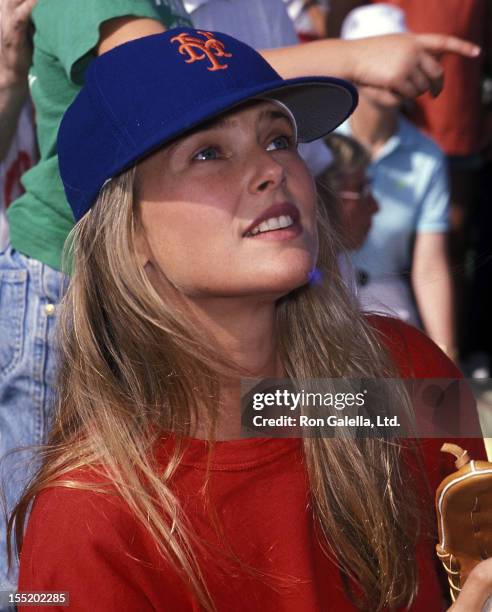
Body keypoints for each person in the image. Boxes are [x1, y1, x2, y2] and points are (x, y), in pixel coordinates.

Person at [0, 0, 482, 598]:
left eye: (279, 139)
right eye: (208, 152)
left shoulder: (404, 378)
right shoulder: (90, 520)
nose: (271, 170)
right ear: (128, 233)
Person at [338, 4, 457, 360]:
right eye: (377, 54)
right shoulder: (313, 142)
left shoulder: (427, 156)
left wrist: (446, 354)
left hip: (394, 318)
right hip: (318, 309)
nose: (392, 71)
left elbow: (429, 266)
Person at [318, 132, 379, 251]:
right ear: (322, 201)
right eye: (361, 190)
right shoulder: (300, 269)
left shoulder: (342, 268)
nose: (375, 207)